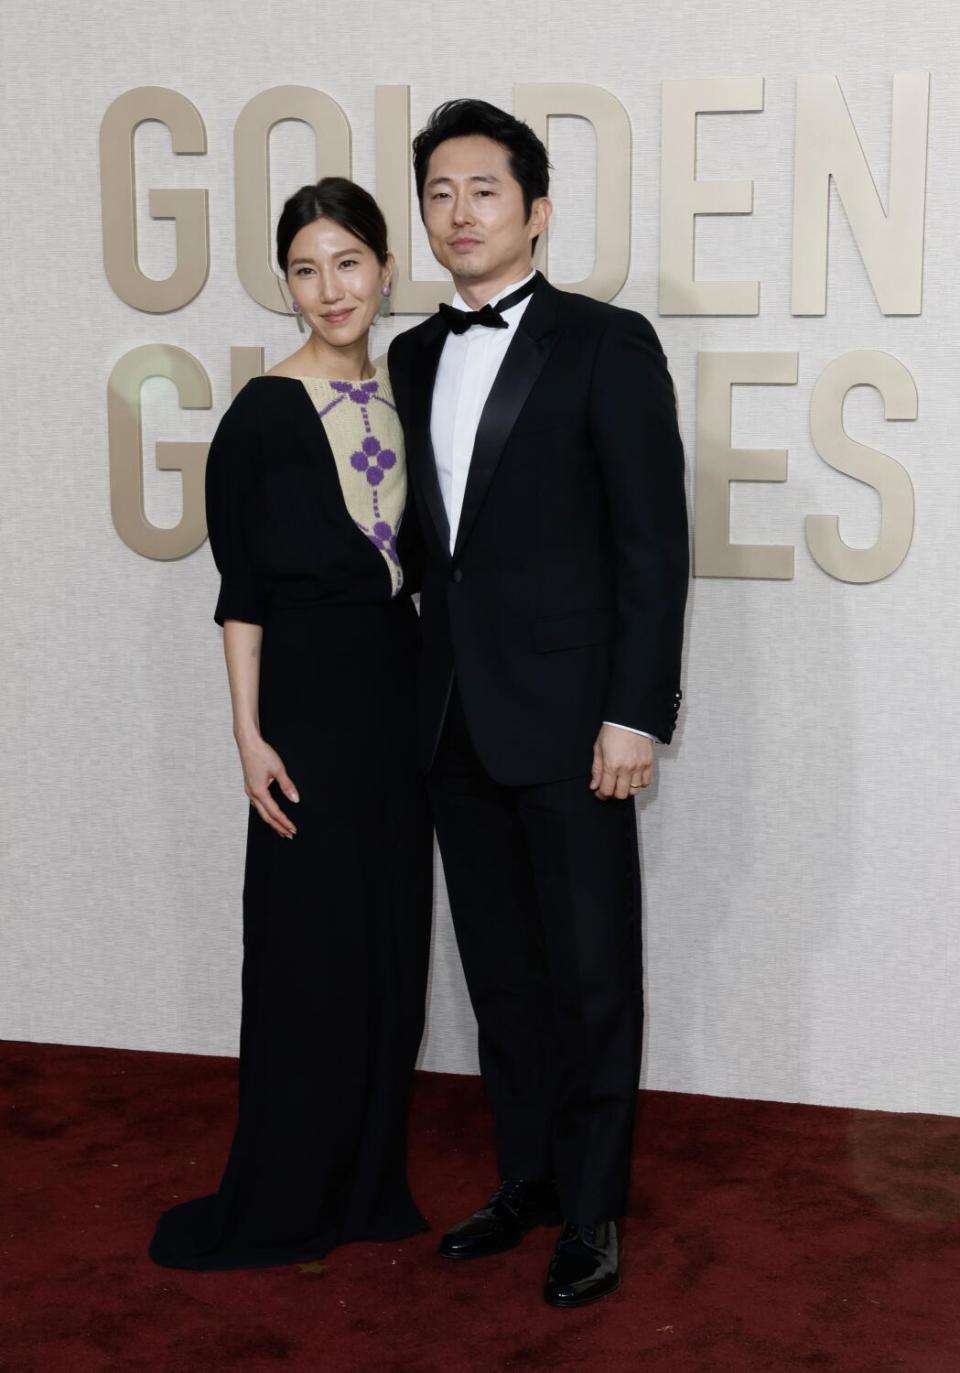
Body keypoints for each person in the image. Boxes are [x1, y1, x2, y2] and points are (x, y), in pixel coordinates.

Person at [388, 100, 689, 1308]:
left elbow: (653, 546)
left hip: (574, 720)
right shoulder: (408, 356)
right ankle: (528, 1180)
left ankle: (598, 1208)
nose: (460, 214)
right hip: (452, 713)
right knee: (501, 973)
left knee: (591, 970)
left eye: (485, 191)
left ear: (538, 210)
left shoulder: (607, 344)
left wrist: (635, 710)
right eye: (440, 194)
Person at [149, 178, 432, 1271]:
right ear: (287, 283)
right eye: (307, 269)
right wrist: (247, 734)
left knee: (389, 940)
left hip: (397, 699)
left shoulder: (409, 391)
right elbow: (242, 593)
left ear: (384, 269)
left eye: (349, 262)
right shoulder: (264, 413)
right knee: (307, 948)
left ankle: (367, 1180)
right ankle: (286, 1183)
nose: (331, 289)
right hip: (306, 710)